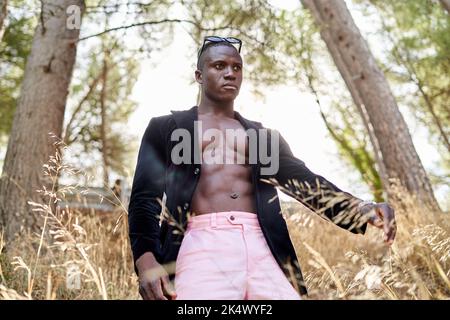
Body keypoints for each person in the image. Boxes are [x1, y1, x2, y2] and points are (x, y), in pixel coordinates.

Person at [127, 36, 397, 300]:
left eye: (237, 67)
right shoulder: (167, 128)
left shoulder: (263, 137)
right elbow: (143, 200)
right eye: (219, 66)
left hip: (264, 245)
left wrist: (359, 208)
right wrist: (146, 258)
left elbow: (304, 183)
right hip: (201, 243)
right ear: (199, 76)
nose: (230, 73)